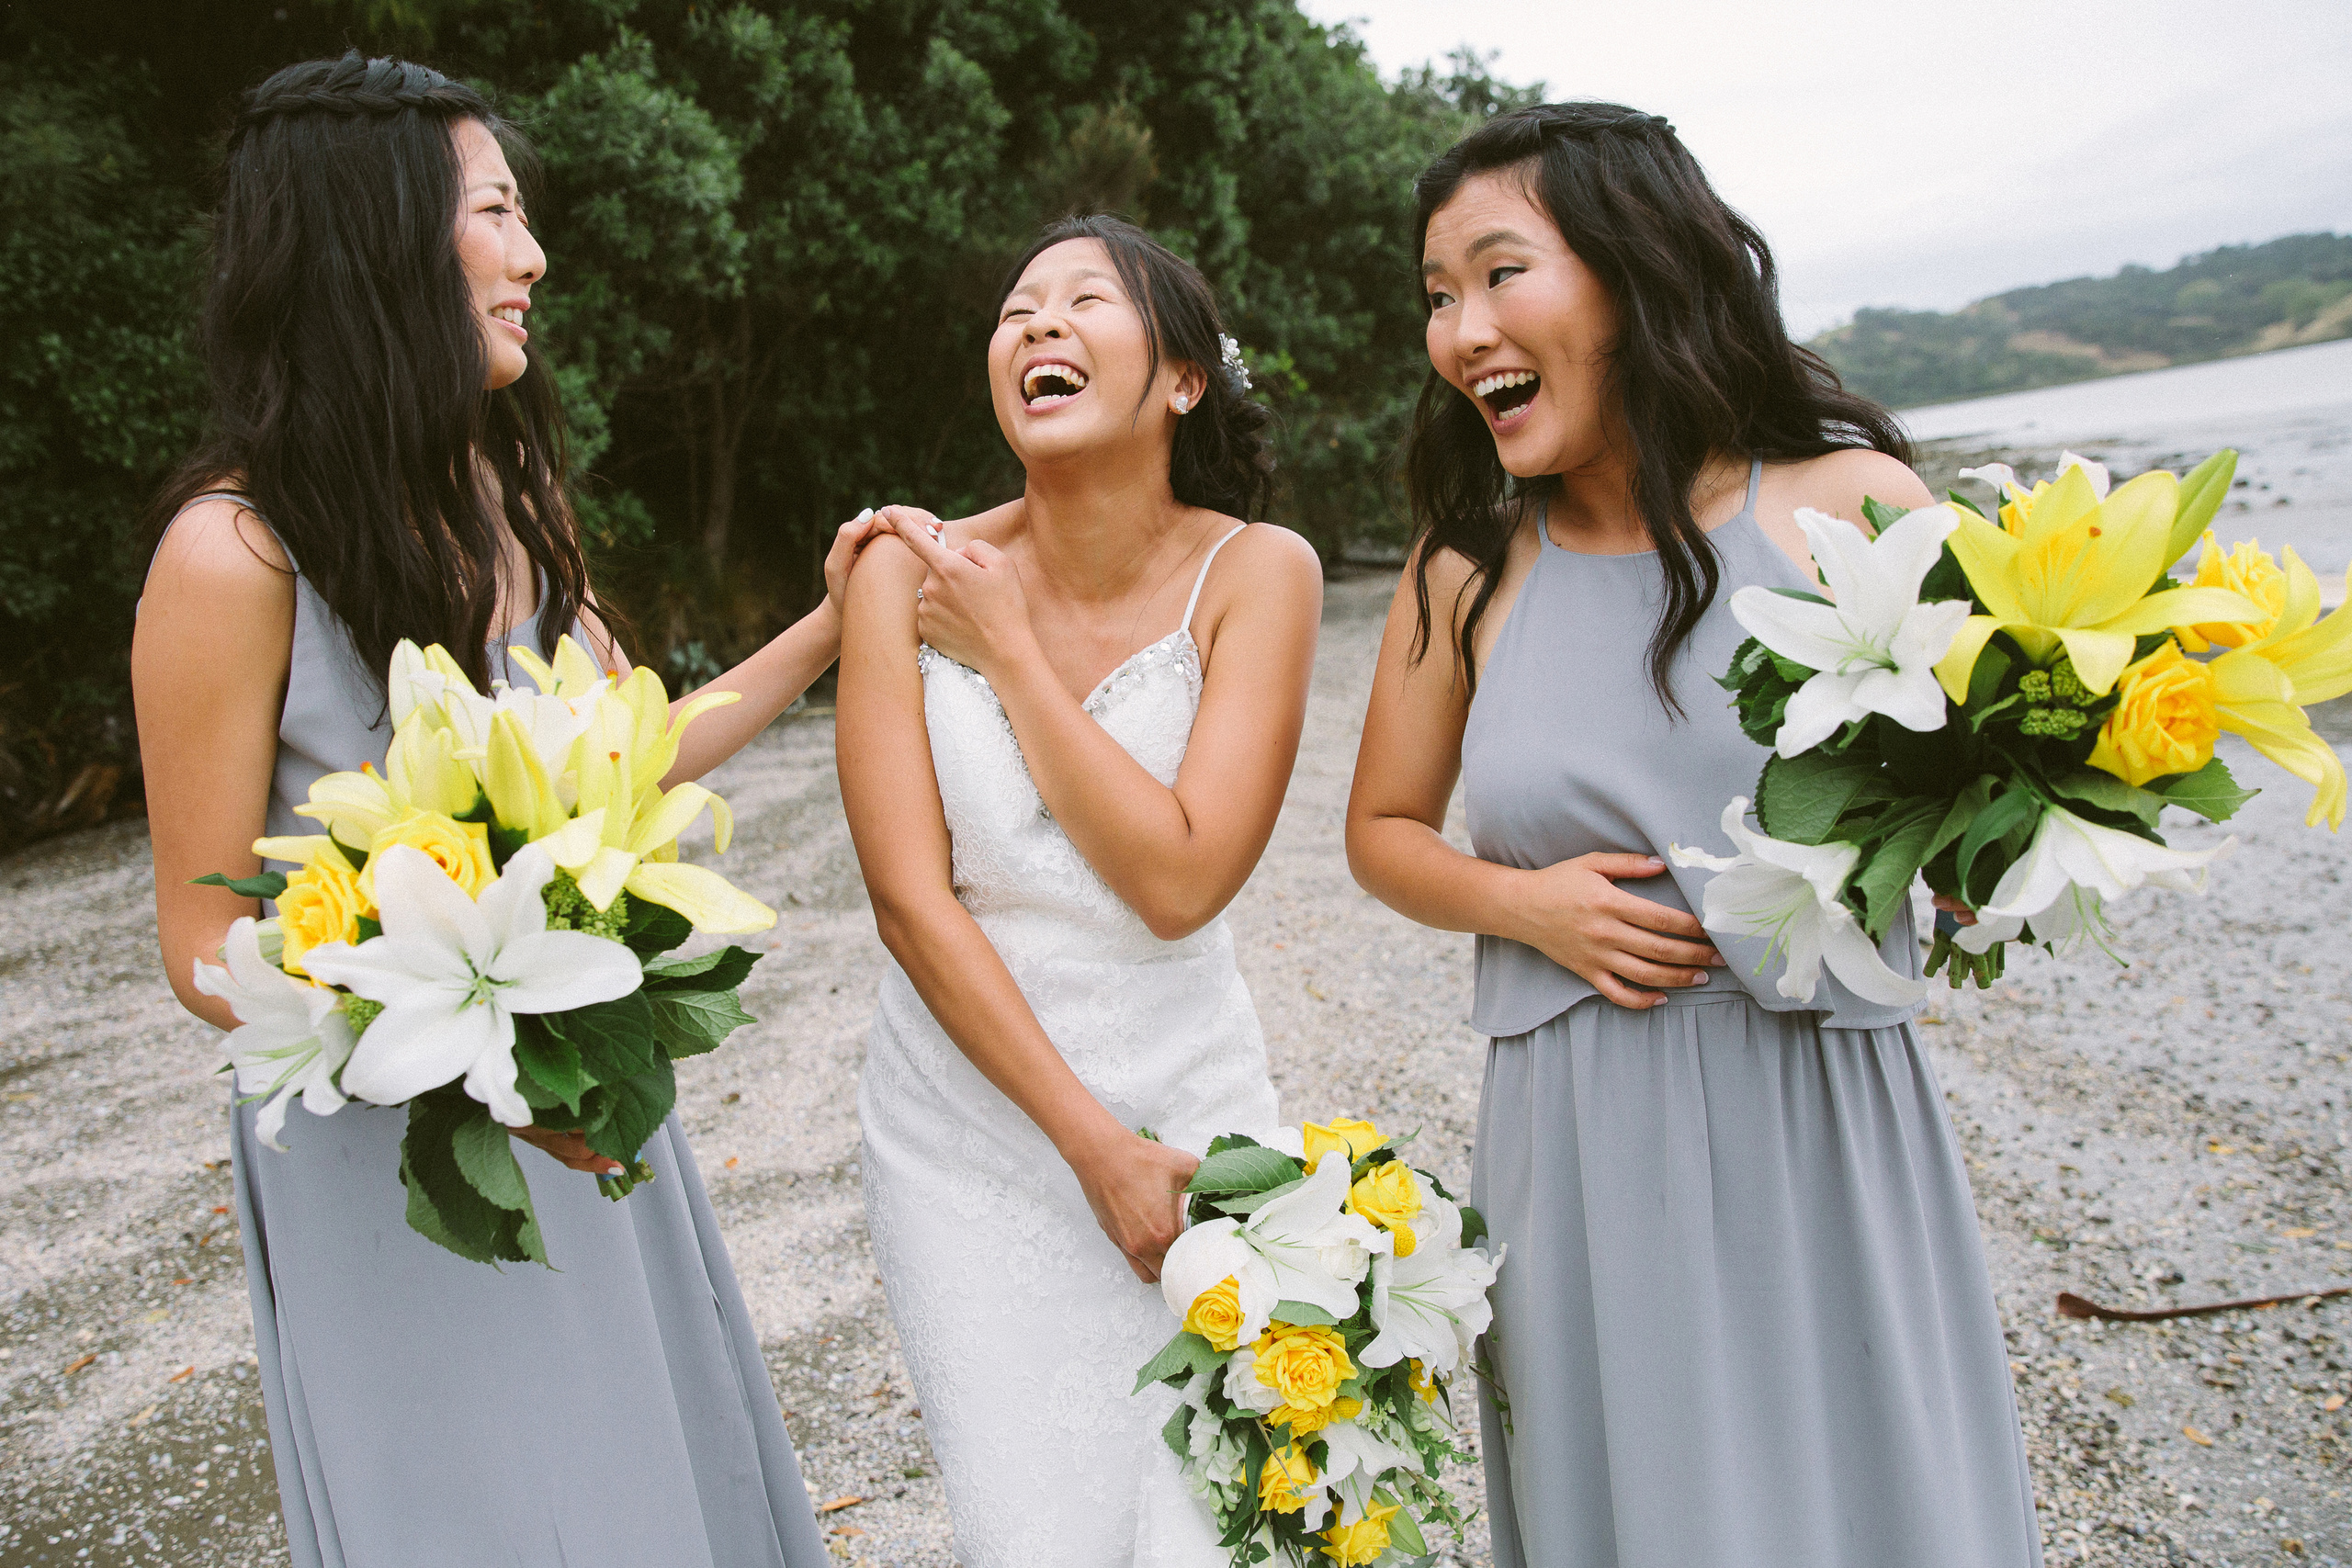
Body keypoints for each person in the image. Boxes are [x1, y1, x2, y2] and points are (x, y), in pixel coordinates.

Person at [132, 53, 871, 1567]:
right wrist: (452, 1035)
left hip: (576, 1115)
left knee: (645, 1487)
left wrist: (836, 620)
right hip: (401, 1154)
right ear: (376, 244)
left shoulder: (496, 506)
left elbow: (636, 751)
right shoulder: (233, 557)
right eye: (495, 211)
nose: (533, 257)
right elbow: (201, 939)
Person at [1343, 104, 2041, 1567]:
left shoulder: (1851, 503)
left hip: (1823, 1111)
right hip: (1581, 1130)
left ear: (1634, 267)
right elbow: (1383, 833)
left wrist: (1981, 862)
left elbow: (1996, 800)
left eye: (1497, 274)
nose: (1463, 331)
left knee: (1870, 1492)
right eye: (1436, 297)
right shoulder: (1467, 563)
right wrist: (1528, 909)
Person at [835, 214, 1323, 1565]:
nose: (1038, 323)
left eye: (1083, 301)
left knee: (1238, 1513)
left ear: (1180, 379)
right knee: (1036, 1523)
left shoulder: (1258, 572)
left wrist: (1009, 658)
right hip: (966, 1130)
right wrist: (1088, 1148)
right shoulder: (898, 569)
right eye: (1015, 309)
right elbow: (908, 901)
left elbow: (1179, 879)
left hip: (1190, 1098)